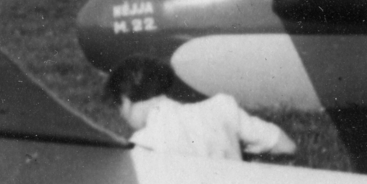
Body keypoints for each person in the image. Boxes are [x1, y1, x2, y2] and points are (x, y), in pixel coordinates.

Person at [107, 56, 298, 161]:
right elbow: (285, 145)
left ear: (126, 100)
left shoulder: (142, 144)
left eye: (120, 108)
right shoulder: (220, 108)